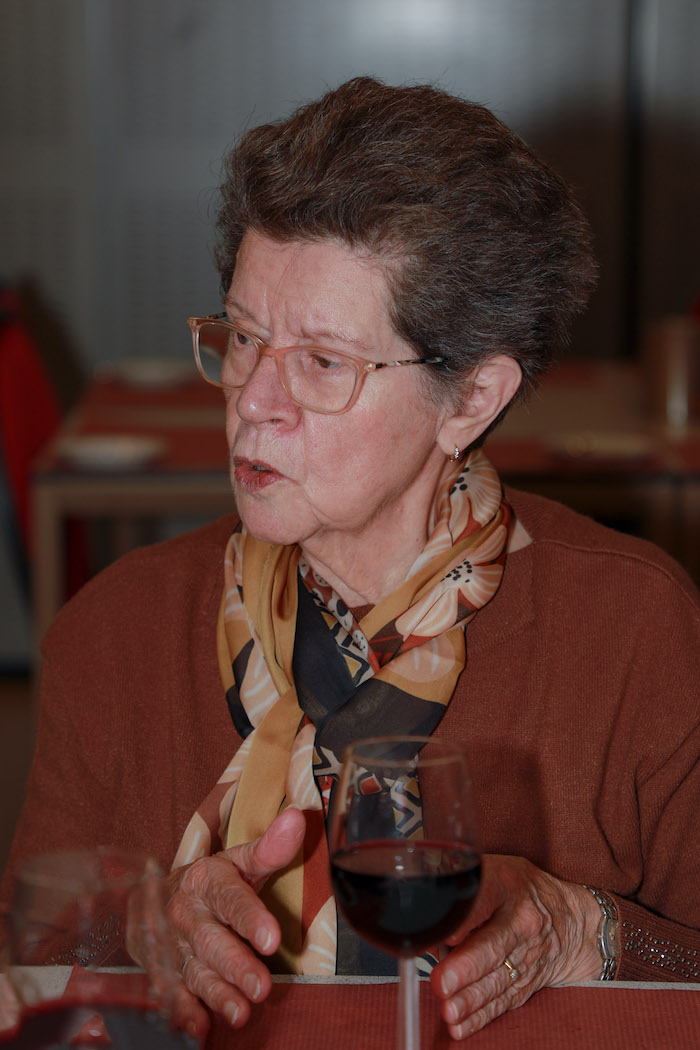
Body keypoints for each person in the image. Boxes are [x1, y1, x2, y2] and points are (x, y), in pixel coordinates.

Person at [2, 77, 699, 1043]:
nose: (254, 400)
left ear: (471, 399)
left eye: (323, 361)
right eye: (245, 337)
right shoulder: (117, 631)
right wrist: (140, 931)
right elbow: (32, 966)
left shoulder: (634, 631)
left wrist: (590, 932)